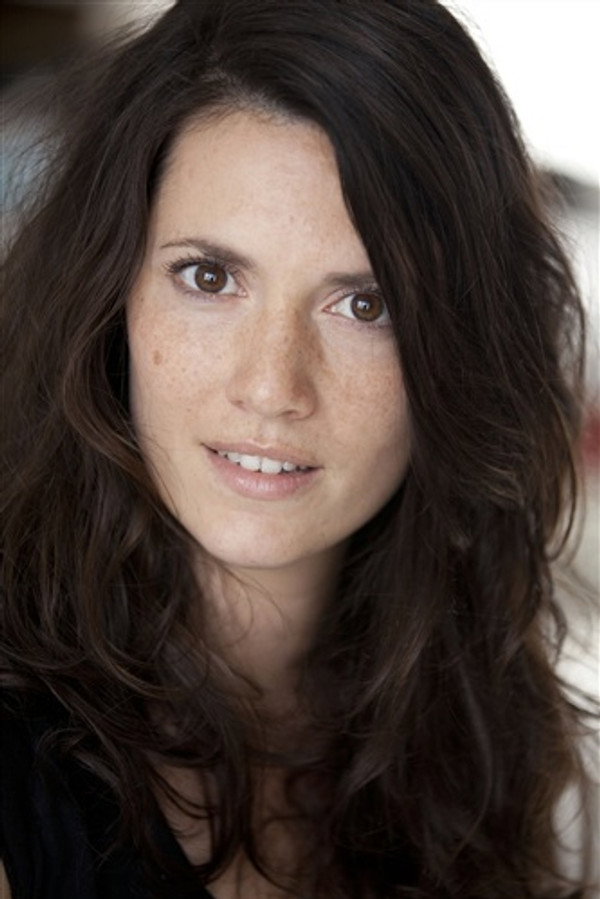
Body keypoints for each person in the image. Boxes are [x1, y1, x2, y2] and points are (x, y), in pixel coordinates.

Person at [0, 1, 596, 897]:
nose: (274, 385)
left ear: (461, 347)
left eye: (366, 304)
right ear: (110, 296)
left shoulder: (496, 751)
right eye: (210, 277)